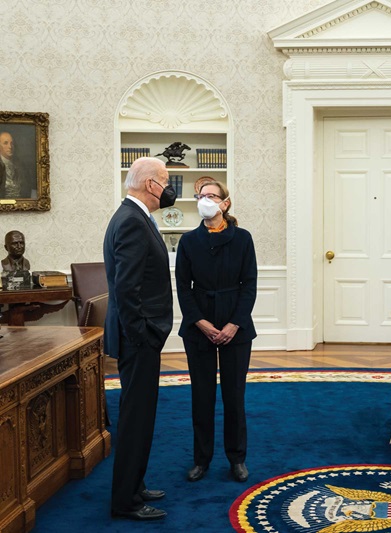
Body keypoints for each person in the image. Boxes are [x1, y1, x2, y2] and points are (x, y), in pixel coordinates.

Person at [103, 156, 176, 521]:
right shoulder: (132, 221)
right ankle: (126, 501)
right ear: (151, 184)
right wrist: (142, 337)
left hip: (139, 337)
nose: (167, 187)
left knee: (141, 416)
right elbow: (126, 288)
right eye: (165, 180)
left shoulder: (132, 216)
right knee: (136, 419)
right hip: (139, 339)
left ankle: (135, 484)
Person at [175, 180, 257, 483]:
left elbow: (249, 285)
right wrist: (201, 322)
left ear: (225, 203)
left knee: (235, 395)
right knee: (202, 395)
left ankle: (237, 458)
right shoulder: (188, 241)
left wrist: (234, 323)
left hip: (237, 325)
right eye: (200, 196)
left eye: (211, 196)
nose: (204, 200)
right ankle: (201, 459)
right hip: (199, 326)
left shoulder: (243, 239)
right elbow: (183, 288)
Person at [0, 132, 36, 199]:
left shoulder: (22, 166)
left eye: (12, 143)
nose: (10, 147)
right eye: (5, 143)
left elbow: (29, 189)